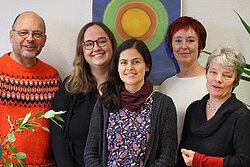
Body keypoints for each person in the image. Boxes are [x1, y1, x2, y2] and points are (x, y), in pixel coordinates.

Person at [84, 38, 177, 167]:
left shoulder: (163, 104)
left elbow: (167, 156)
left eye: (136, 62)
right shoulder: (104, 102)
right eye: (123, 62)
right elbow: (90, 153)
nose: (129, 68)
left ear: (147, 66)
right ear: (117, 67)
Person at [50, 22, 117, 167]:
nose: (96, 48)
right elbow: (58, 137)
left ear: (112, 44)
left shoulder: (126, 87)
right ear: (82, 50)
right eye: (89, 44)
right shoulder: (70, 87)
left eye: (102, 41)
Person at [0, 11, 61, 166]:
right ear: (11, 36)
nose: (30, 38)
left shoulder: (52, 77)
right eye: (23, 33)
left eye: (37, 34)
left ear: (44, 40)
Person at [177, 47, 250, 167]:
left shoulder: (241, 116)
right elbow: (182, 155)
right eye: (213, 72)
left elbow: (244, 162)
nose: (218, 79)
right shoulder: (193, 109)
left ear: (235, 82)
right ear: (206, 74)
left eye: (226, 75)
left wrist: (201, 161)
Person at [159, 16, 208, 142]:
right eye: (178, 40)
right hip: (170, 159)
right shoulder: (166, 85)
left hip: (200, 159)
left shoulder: (212, 82)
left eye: (190, 40)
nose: (183, 46)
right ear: (171, 45)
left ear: (200, 46)